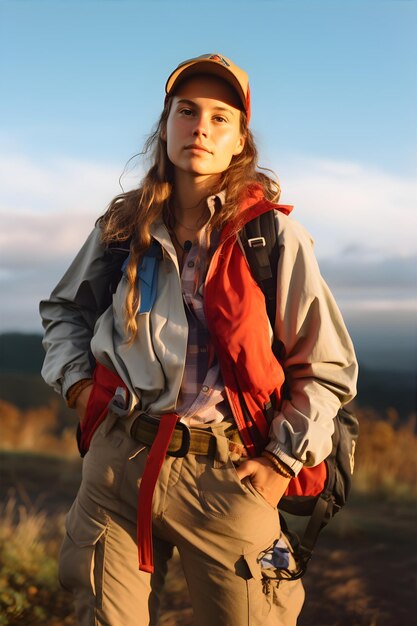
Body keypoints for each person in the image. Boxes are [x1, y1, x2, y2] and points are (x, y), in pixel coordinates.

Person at [40, 53, 358, 626]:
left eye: (220, 117)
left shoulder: (271, 237)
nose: (201, 128)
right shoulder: (121, 227)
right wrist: (78, 388)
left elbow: (327, 367)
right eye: (187, 112)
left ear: (240, 141)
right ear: (165, 127)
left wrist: (280, 464)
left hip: (230, 474)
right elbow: (66, 310)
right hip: (119, 464)